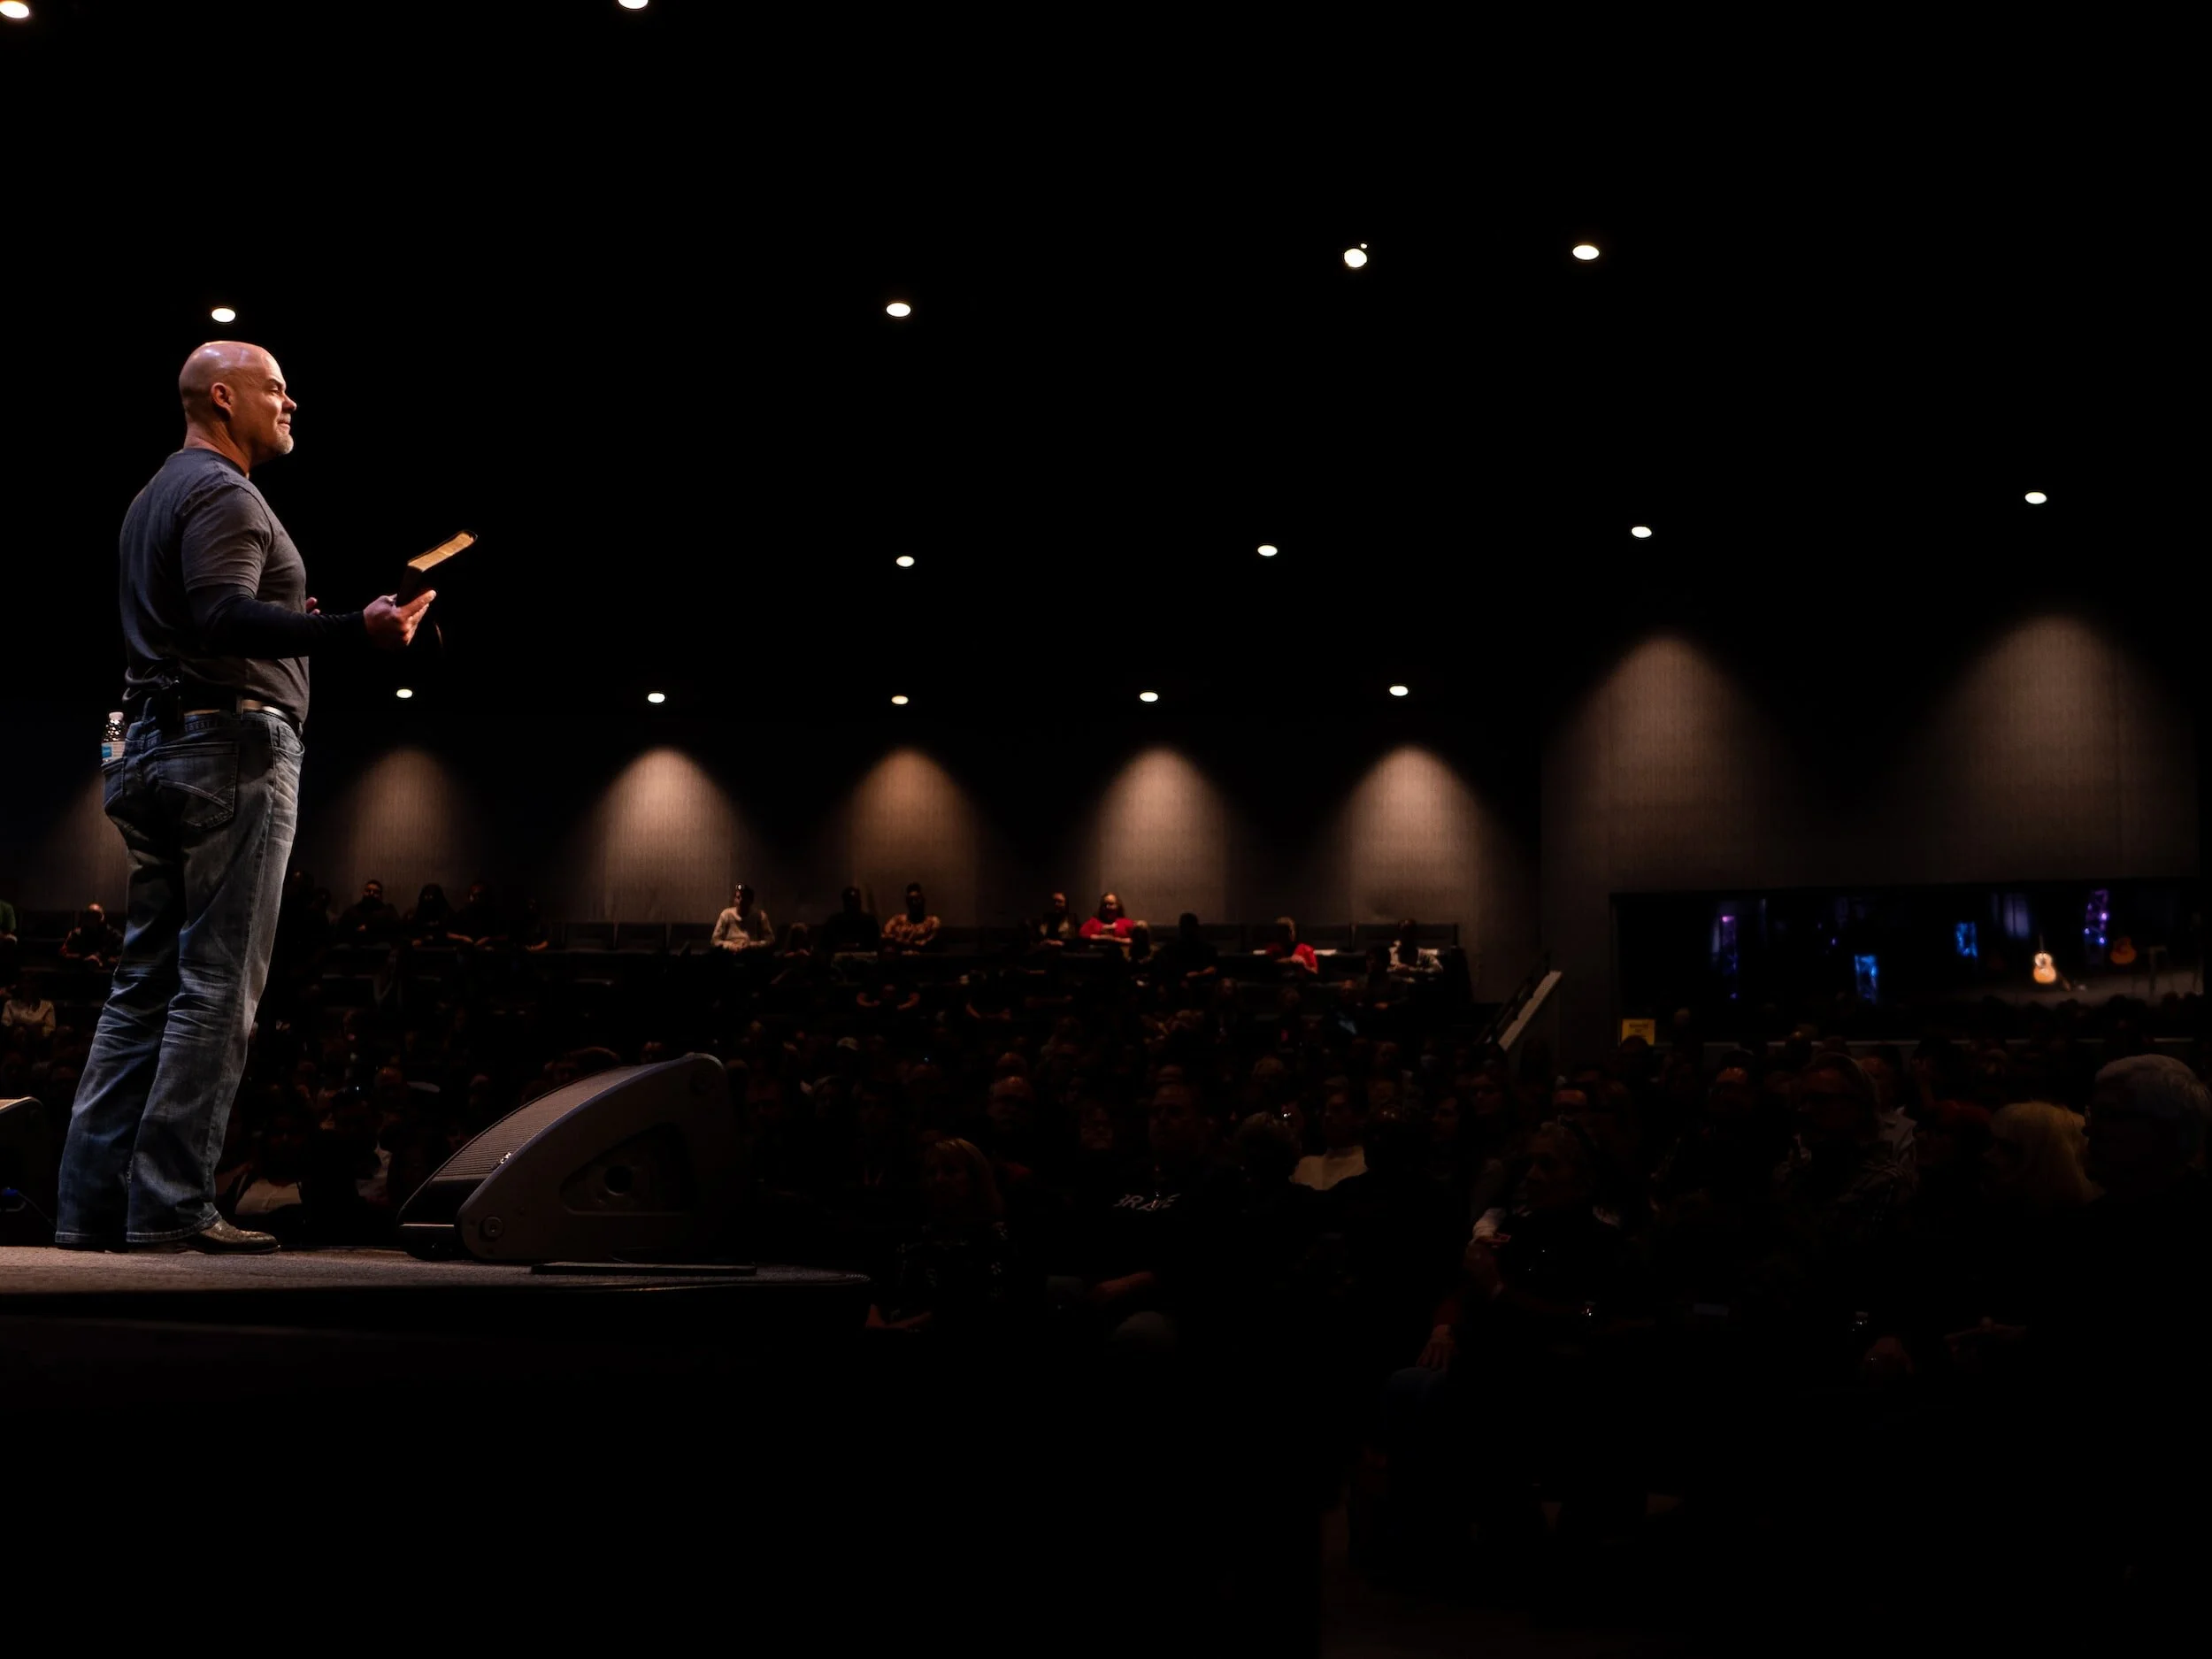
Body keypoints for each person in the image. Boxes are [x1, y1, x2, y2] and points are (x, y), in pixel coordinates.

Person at [54, 340, 433, 1255]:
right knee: (216, 985)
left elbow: (206, 617)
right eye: (276, 389)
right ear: (223, 399)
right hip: (227, 750)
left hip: (154, 745)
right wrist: (356, 630)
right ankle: (173, 1206)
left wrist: (291, 630)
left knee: (143, 986)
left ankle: (93, 1208)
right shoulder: (226, 493)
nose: (292, 403)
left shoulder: (154, 497)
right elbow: (221, 612)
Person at [880, 882, 941, 954]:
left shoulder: (932, 922)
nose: (914, 903)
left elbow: (929, 942)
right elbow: (884, 936)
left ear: (923, 901)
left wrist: (901, 942)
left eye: (917, 900)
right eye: (911, 900)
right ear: (907, 902)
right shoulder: (897, 920)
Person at [712, 883, 774, 952]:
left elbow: (770, 940)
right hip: (729, 954)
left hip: (752, 954)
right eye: (738, 897)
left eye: (744, 897)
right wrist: (730, 946)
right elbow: (715, 940)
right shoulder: (726, 914)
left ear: (751, 901)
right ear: (734, 900)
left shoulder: (760, 916)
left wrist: (752, 945)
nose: (741, 900)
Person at [819, 886, 880, 955]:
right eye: (850, 901)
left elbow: (874, 944)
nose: (853, 904)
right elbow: (826, 944)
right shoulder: (834, 921)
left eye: (855, 901)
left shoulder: (870, 921)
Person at [61, 903, 124, 968]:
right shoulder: (76, 934)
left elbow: (126, 957)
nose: (95, 922)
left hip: (106, 974)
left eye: (97, 917)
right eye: (92, 917)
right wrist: (84, 960)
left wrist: (103, 962)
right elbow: (63, 955)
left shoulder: (114, 935)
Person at [4, 975, 57, 1041]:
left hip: (38, 1042)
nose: (28, 990)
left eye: (31, 986)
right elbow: (6, 1025)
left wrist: (34, 1030)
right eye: (25, 987)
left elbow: (50, 1030)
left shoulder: (47, 1006)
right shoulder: (10, 1004)